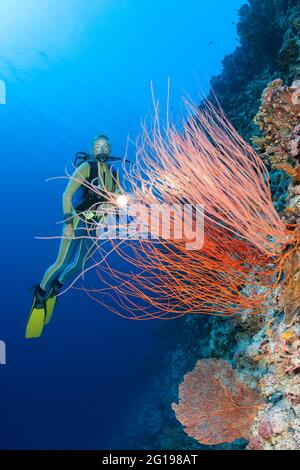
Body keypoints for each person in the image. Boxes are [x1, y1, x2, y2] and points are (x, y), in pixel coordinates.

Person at [26, 135, 122, 339]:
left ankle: (56, 289)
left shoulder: (114, 174)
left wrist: (120, 203)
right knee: (62, 262)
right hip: (77, 220)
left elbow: (117, 200)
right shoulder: (87, 167)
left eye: (105, 146)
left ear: (110, 148)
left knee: (80, 266)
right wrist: (68, 223)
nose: (102, 149)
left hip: (96, 225)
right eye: (97, 146)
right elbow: (66, 195)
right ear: (93, 150)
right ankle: (40, 296)